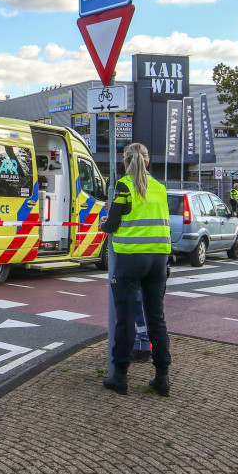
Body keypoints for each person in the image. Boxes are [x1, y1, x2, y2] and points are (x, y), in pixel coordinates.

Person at [99, 143, 171, 396]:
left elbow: (113, 223)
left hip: (130, 260)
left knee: (126, 317)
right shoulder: (161, 189)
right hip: (158, 260)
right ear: (147, 162)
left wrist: (102, 223)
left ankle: (120, 377)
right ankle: (162, 378)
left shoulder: (123, 186)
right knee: (156, 319)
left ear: (125, 163)